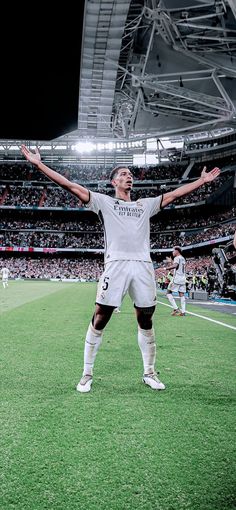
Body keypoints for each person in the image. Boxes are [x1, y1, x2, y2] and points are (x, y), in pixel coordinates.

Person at [21, 145, 220, 392]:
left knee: (145, 318)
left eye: (130, 174)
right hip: (115, 265)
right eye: (124, 173)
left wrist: (201, 181)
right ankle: (86, 373)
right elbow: (70, 186)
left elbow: (174, 195)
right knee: (100, 317)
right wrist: (39, 165)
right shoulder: (103, 202)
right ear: (114, 181)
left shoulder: (144, 205)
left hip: (142, 266)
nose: (129, 176)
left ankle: (149, 372)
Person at [165, 247, 186, 316]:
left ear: (177, 251)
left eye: (173, 251)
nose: (172, 252)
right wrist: (171, 261)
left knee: (168, 292)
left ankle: (176, 308)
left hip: (177, 278)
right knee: (181, 294)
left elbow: (175, 266)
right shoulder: (182, 258)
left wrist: (166, 268)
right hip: (183, 278)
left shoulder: (177, 258)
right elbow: (178, 266)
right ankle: (183, 311)